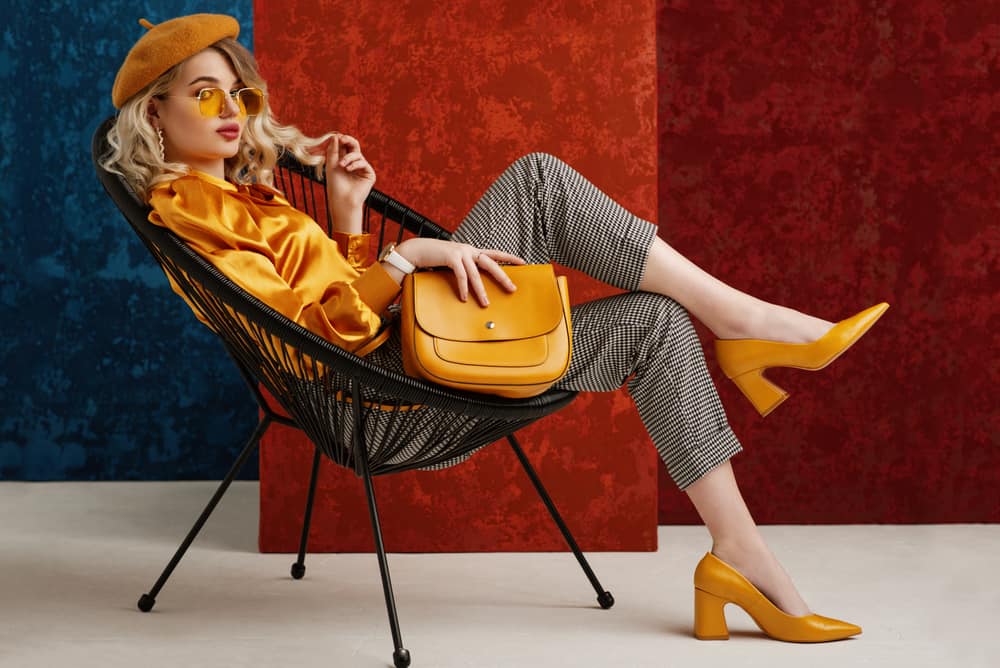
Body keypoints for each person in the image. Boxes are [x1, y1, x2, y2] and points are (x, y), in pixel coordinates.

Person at [103, 14, 888, 643]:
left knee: (653, 324)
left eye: (237, 93)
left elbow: (328, 294)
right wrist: (407, 256)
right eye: (204, 94)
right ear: (155, 115)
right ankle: (747, 324)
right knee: (538, 181)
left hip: (398, 361)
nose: (232, 110)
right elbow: (313, 335)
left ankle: (739, 556)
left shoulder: (254, 196)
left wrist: (347, 213)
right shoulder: (190, 213)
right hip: (381, 394)